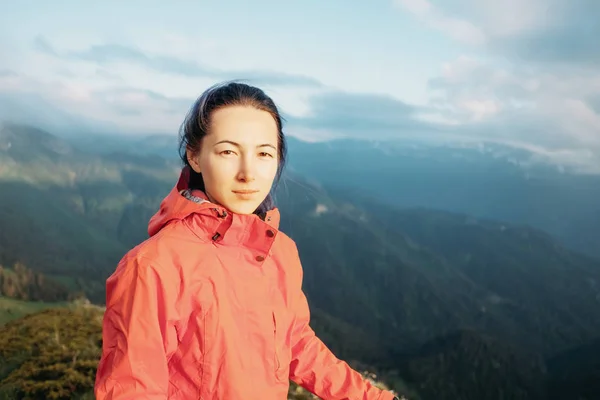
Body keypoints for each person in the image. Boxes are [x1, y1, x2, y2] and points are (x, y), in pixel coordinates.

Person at [94, 81, 399, 400]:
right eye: (228, 151)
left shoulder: (280, 251)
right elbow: (132, 389)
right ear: (195, 157)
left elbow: (296, 343)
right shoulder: (153, 267)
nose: (248, 173)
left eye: (264, 153)